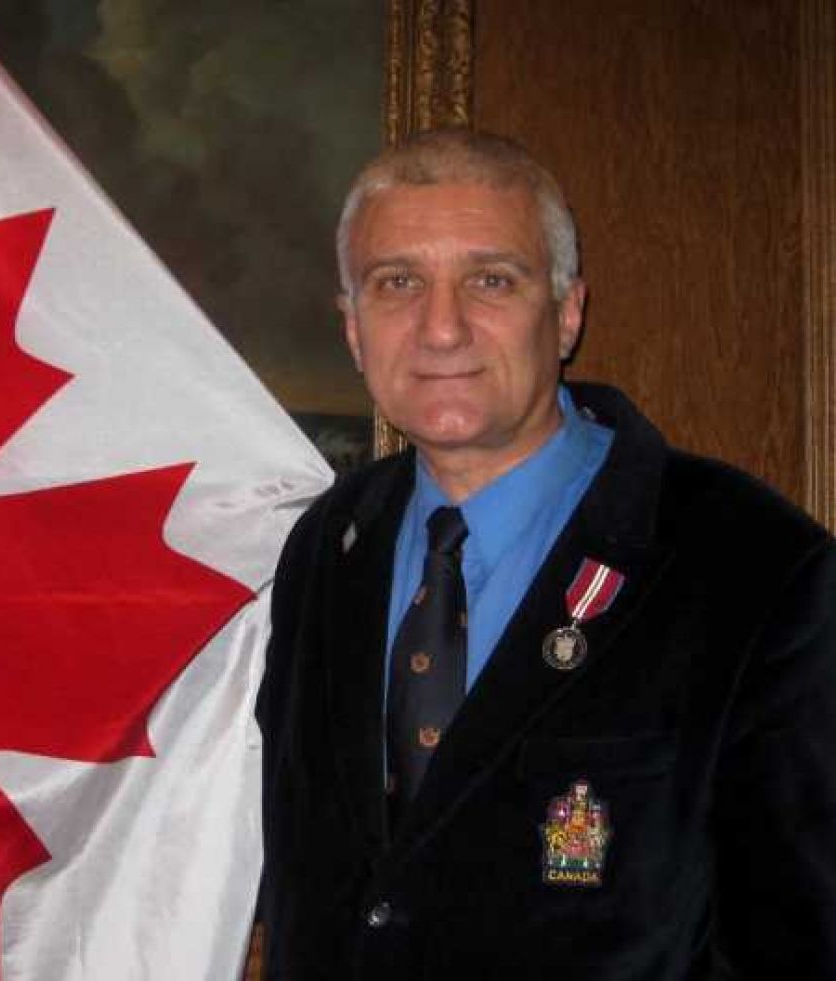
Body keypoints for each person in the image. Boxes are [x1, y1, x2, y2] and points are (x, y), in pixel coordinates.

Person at [256, 127, 836, 979]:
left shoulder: (755, 569)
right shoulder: (325, 550)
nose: (441, 328)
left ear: (566, 313)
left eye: (491, 279)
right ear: (352, 327)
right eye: (397, 282)